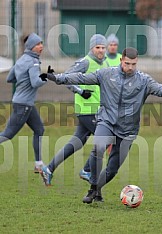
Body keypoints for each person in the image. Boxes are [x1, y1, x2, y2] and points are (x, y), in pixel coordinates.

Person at [39, 47, 162, 203]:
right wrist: (58, 78)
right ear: (121, 61)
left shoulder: (144, 80)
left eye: (133, 64)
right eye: (127, 63)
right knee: (98, 147)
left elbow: (159, 89)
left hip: (128, 130)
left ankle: (97, 189)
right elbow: (81, 78)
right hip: (106, 122)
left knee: (112, 169)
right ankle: (92, 188)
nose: (130, 67)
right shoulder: (106, 74)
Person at [40, 34, 110, 186]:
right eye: (98, 47)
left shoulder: (105, 63)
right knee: (107, 139)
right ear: (91, 48)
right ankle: (87, 170)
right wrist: (80, 91)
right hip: (87, 110)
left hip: (97, 111)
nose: (101, 50)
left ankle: (49, 168)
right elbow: (66, 77)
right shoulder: (85, 62)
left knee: (76, 143)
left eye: (103, 48)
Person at [1, 33, 47, 173]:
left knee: (39, 129)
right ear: (31, 47)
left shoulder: (21, 59)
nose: (41, 46)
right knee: (8, 134)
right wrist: (46, 77)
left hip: (22, 102)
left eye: (41, 43)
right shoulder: (33, 62)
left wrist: (22, 82)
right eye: (38, 44)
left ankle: (38, 164)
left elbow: (10, 78)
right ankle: (38, 164)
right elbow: (35, 83)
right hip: (24, 104)